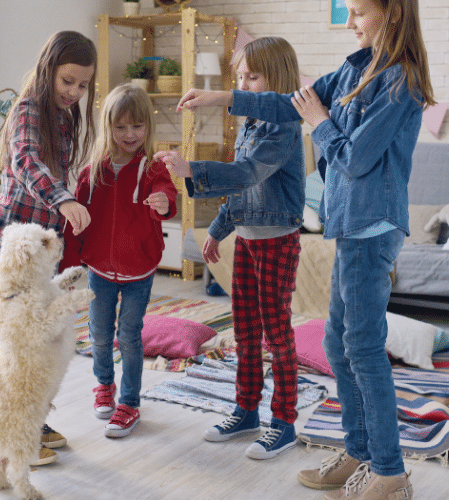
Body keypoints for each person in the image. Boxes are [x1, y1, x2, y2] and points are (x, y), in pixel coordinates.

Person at [176, 0, 435, 497]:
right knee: (340, 344)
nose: (349, 21)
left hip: (373, 226)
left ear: (394, 13)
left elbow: (356, 159)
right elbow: (288, 103)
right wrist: (220, 98)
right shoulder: (355, 69)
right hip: (349, 226)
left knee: (360, 346)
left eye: (359, 11)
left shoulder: (400, 82)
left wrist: (319, 121)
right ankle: (360, 452)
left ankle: (389, 470)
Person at [155, 36, 305, 461]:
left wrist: (191, 171)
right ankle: (246, 410)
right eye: (238, 77)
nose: (242, 85)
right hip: (248, 242)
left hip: (277, 242)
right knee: (244, 332)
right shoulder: (251, 126)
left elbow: (245, 174)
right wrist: (219, 229)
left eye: (251, 77)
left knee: (277, 335)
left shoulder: (284, 127)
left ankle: (284, 422)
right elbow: (241, 196)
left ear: (277, 78)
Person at [0, 30, 97, 466]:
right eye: (67, 81)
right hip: (17, 242)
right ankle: (16, 435)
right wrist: (63, 199)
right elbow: (28, 161)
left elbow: (62, 171)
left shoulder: (66, 117)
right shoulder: (29, 109)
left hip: (44, 244)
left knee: (43, 345)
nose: (74, 92)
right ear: (48, 70)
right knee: (20, 346)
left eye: (83, 85)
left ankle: (35, 421)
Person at [69, 83, 177, 438]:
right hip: (99, 269)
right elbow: (76, 220)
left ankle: (130, 403)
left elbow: (166, 191)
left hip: (139, 270)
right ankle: (104, 386)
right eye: (121, 127)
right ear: (108, 127)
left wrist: (162, 202)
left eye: (138, 126)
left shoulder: (151, 169)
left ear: (147, 126)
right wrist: (71, 260)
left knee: (129, 337)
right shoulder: (92, 172)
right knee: (99, 334)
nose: (130, 134)